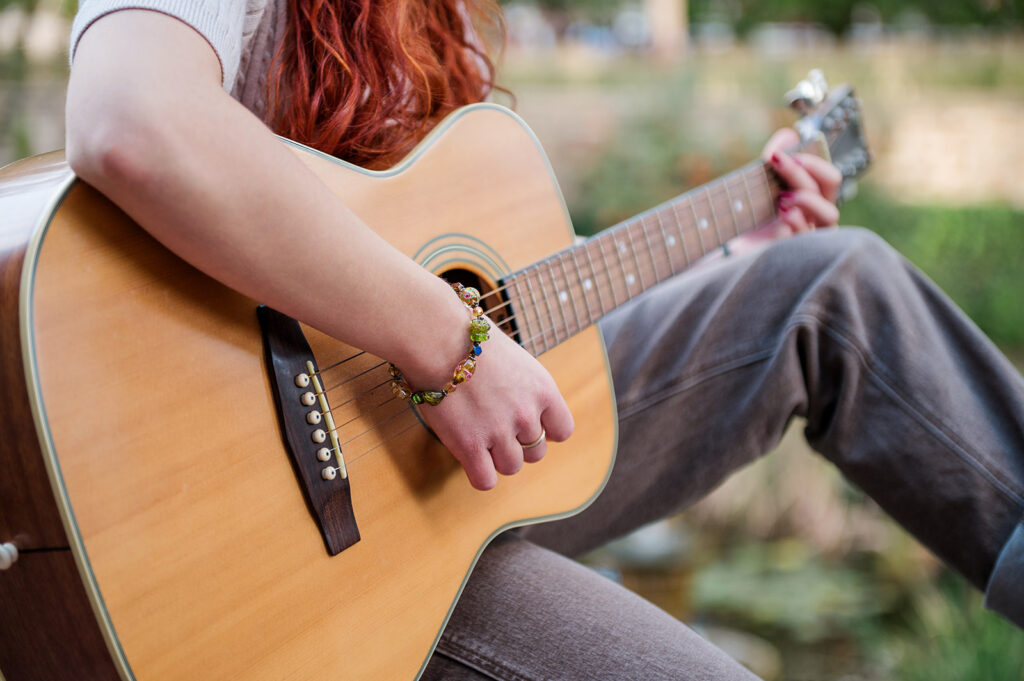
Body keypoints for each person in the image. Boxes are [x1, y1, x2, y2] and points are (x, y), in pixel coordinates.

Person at [65, 1, 1023, 678]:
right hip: (298, 558)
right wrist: (449, 344)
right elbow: (131, 119)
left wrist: (734, 248)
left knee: (830, 285)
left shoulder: (435, 29)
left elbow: (516, 306)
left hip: (445, 478)